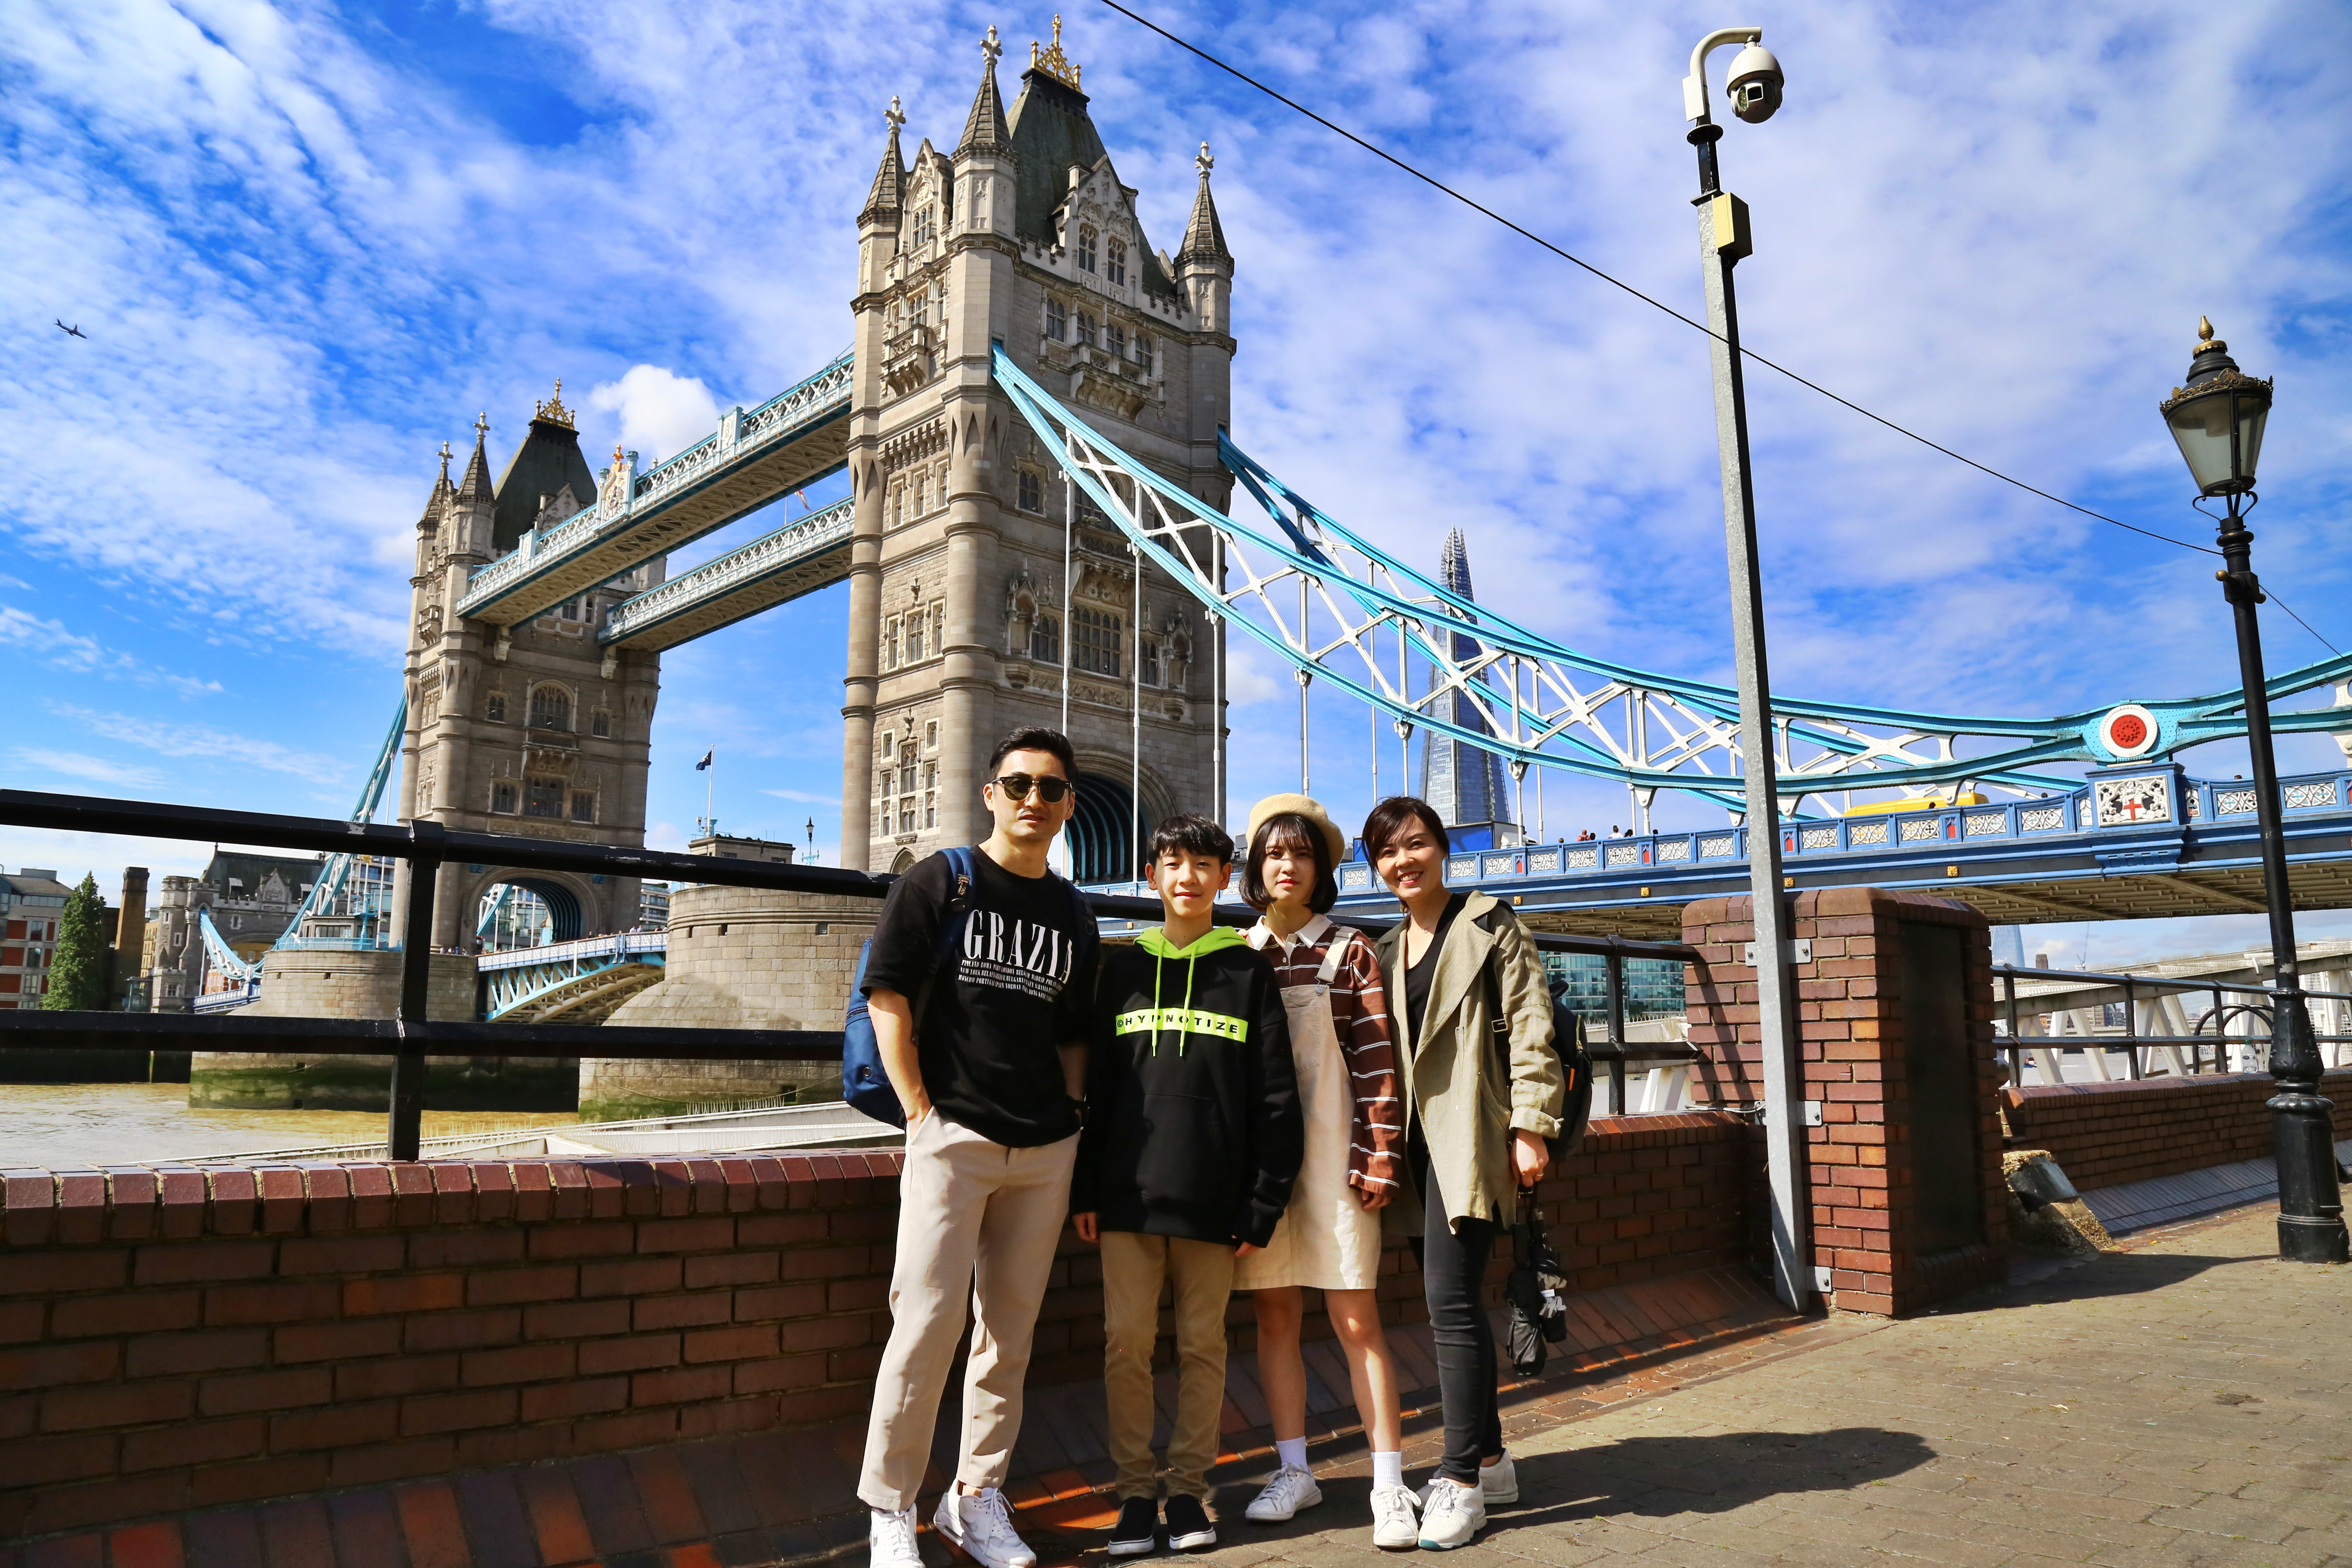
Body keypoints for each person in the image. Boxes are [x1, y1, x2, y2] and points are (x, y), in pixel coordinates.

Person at [858, 727, 1099, 1568]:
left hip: (1044, 1149)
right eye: (1019, 784)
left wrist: (1073, 1115)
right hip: (953, 1134)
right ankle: (892, 1507)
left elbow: (1075, 1031)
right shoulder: (941, 880)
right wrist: (919, 1112)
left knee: (1009, 1336)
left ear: (1070, 806)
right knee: (925, 1326)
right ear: (991, 793)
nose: (1035, 799)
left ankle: (975, 1498)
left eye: (1051, 789)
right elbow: (888, 995)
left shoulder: (1075, 910)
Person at [1074, 814, 1303, 1557]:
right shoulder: (1122, 970)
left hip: (1215, 1202)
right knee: (1126, 1347)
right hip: (1127, 1198)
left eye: (1204, 865)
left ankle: (1187, 1493)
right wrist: (1085, 1191)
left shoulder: (1248, 973)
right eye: (1173, 863)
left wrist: (1261, 1204)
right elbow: (1099, 1093)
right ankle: (1134, 1495)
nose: (1187, 877)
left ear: (1223, 878)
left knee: (1204, 1349)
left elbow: (1276, 1100)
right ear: (1152, 876)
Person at [1362, 796, 1563, 1551]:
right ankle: (1492, 1461)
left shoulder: (1491, 924)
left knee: (1449, 1303)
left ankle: (1460, 1481)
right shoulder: (1386, 947)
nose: (1403, 861)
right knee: (1452, 1303)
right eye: (1387, 851)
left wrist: (1531, 1126)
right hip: (1414, 1149)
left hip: (1472, 1137)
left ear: (1443, 848)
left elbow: (1533, 1026)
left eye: (1416, 844)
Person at [1231, 795, 1418, 1550]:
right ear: (1256, 866)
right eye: (1275, 854)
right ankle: (1294, 1471)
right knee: (1274, 1317)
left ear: (1322, 869)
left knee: (1357, 1320)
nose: (1288, 866)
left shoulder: (1351, 950)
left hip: (1338, 1162)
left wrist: (1379, 1155)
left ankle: (1389, 1481)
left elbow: (1376, 1065)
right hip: (1263, 1168)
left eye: (1302, 854)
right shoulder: (1236, 953)